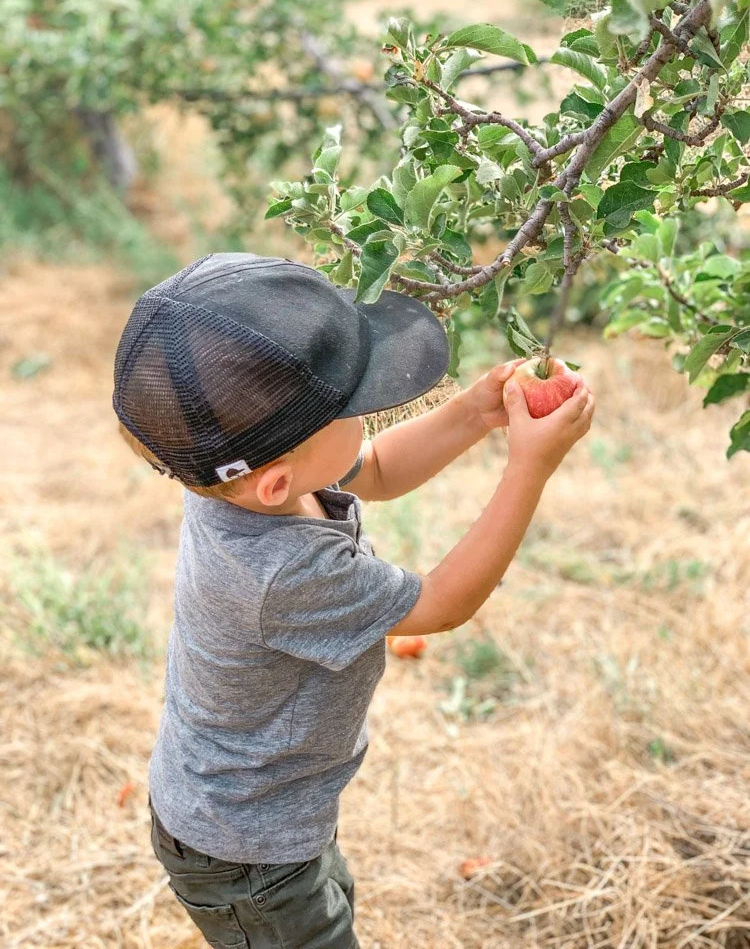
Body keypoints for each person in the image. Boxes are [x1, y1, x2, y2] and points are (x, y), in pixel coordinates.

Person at [112, 252, 595, 949]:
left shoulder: (239, 476)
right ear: (277, 483)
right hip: (246, 851)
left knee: (329, 907)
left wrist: (473, 414)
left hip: (265, 819)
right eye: (351, 406)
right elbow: (442, 604)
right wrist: (530, 465)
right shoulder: (281, 569)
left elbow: (380, 468)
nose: (368, 408)